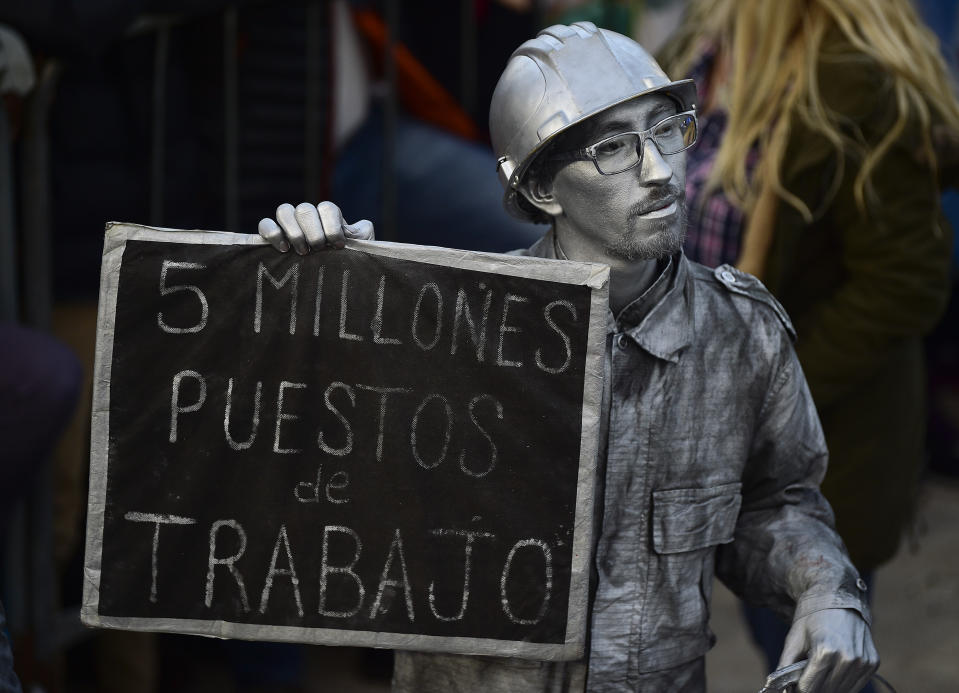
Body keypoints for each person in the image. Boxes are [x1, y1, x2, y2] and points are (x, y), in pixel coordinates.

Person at [259, 22, 878, 693]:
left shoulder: (740, 334)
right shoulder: (447, 326)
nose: (659, 169)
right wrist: (320, 300)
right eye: (613, 147)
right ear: (543, 189)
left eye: (665, 129)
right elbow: (317, 479)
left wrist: (826, 590)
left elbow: (774, 502)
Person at [661, 0, 958, 678]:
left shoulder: (851, 77)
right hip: (704, 448)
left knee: (810, 662)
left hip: (815, 463)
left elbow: (903, 284)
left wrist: (767, 394)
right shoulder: (703, 42)